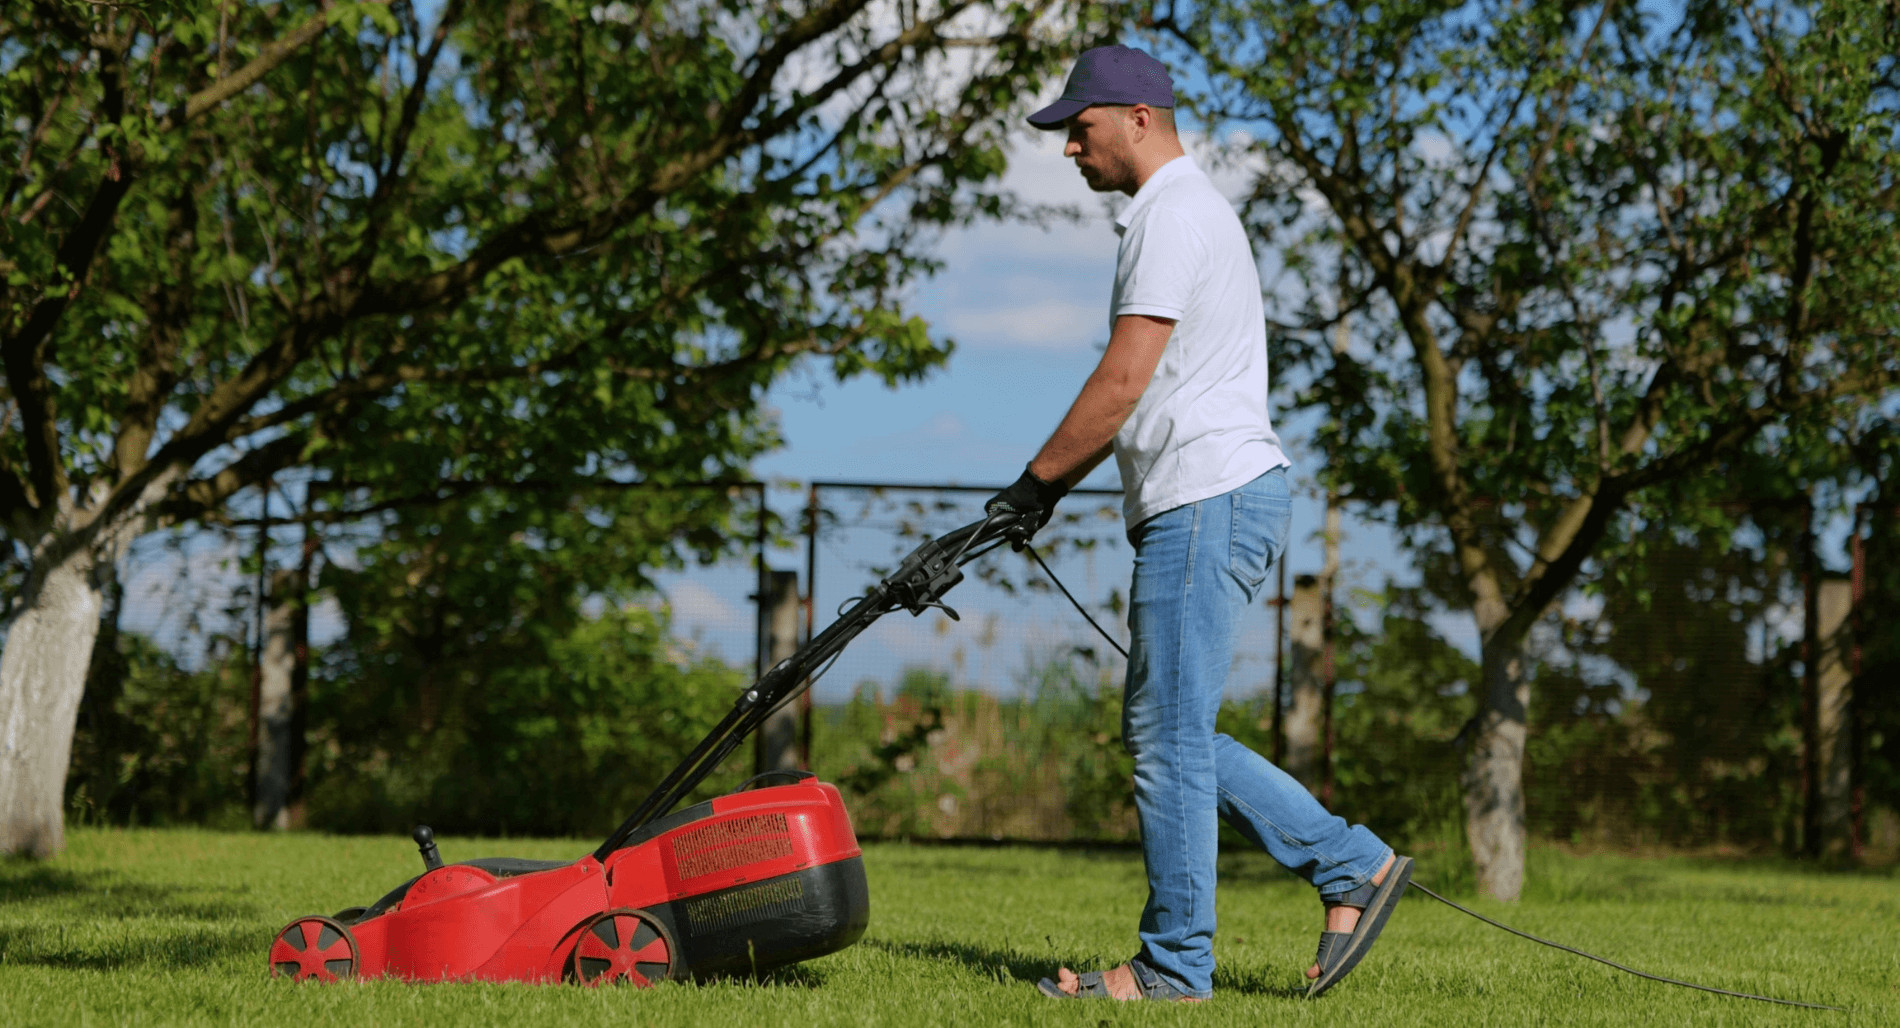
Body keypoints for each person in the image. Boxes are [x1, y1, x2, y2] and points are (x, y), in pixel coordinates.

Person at [983, 45, 1412, 1003]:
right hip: (1215, 496)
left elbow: (1124, 380)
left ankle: (1177, 965)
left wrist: (1034, 483)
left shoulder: (1172, 214)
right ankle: (1351, 867)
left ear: (1137, 116)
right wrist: (1044, 487)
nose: (1069, 150)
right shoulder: (1181, 212)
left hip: (1206, 498)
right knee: (1172, 732)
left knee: (1167, 737)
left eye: (1078, 128)